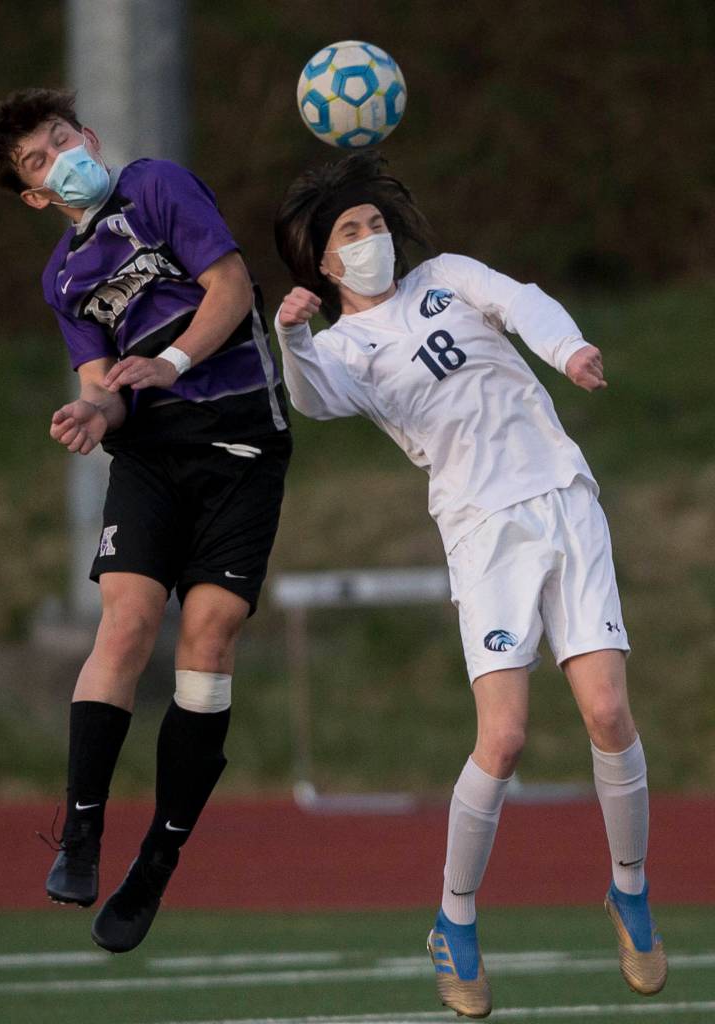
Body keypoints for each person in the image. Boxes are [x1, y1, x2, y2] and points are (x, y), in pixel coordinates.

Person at [273, 151, 666, 1018]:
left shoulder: (447, 275)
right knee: (507, 737)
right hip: (484, 533)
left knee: (607, 711)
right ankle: (454, 921)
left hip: (564, 497)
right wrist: (292, 334)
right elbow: (313, 398)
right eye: (351, 231)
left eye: (376, 222)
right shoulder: (341, 346)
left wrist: (568, 349)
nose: (372, 237)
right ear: (323, 262)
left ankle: (630, 893)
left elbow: (521, 302)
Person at [0, 88, 291, 954]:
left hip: (239, 441)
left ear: (91, 136)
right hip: (151, 456)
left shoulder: (155, 187)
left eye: (60, 139)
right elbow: (101, 384)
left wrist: (172, 361)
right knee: (125, 621)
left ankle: (158, 859)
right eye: (38, 160)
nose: (58, 156)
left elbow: (230, 287)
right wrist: (94, 417)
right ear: (35, 196)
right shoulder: (63, 278)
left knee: (212, 633)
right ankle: (81, 835)